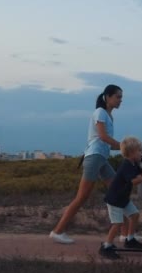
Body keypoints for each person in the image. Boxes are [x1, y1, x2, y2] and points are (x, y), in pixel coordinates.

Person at [50, 84, 135, 244]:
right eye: (118, 97)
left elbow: (109, 144)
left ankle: (125, 235)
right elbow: (103, 137)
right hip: (94, 157)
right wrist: (125, 147)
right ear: (108, 97)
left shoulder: (109, 116)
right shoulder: (100, 112)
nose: (120, 100)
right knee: (82, 197)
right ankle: (57, 231)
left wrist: (126, 148)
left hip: (101, 158)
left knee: (119, 192)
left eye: (121, 98)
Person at [99, 136, 142, 259]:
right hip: (115, 199)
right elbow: (134, 181)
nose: (141, 153)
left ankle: (130, 239)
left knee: (135, 215)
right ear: (132, 153)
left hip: (123, 198)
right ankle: (106, 247)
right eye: (139, 150)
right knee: (117, 223)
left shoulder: (134, 163)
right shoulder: (126, 165)